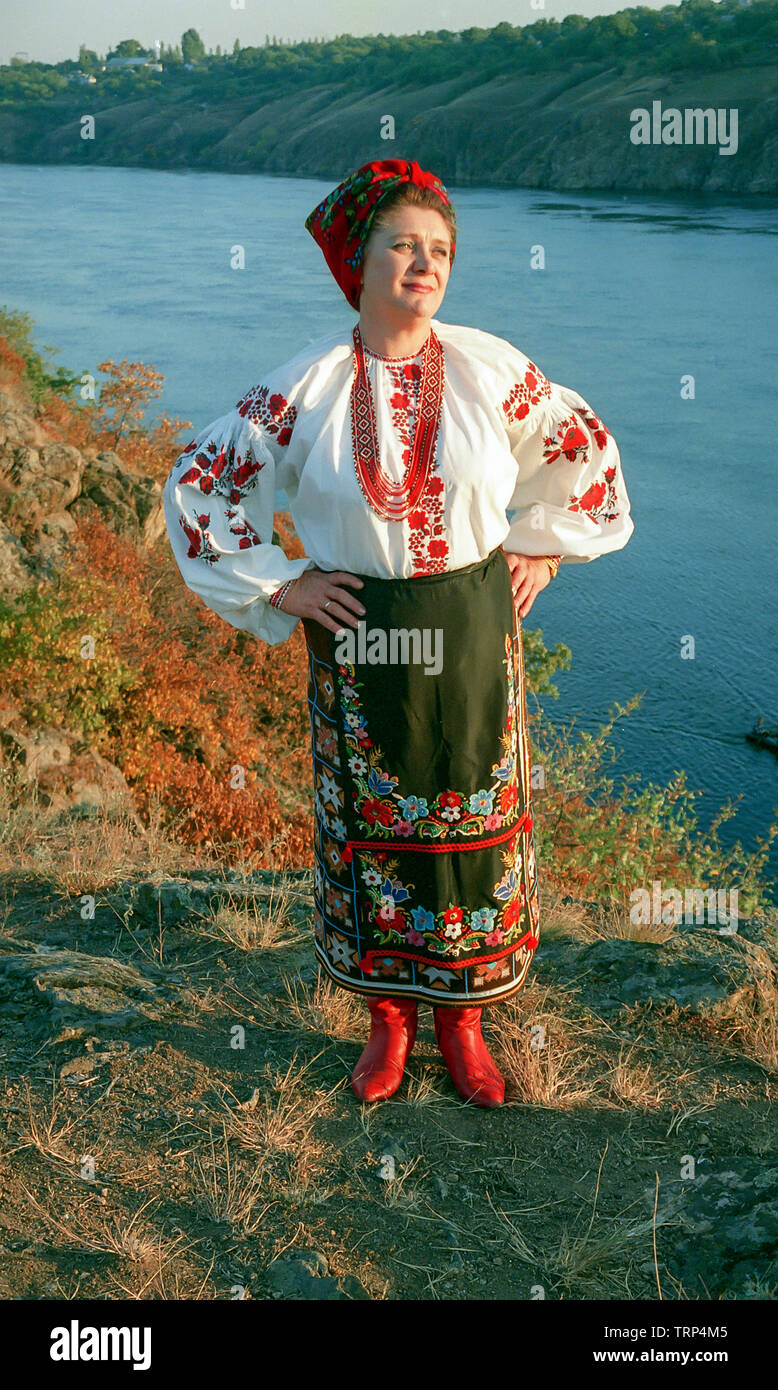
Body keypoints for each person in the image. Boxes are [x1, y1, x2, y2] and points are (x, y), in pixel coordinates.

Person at [162, 158, 634, 1109]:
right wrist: (284, 584)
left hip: (469, 621)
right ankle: (388, 1022)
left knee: (471, 819)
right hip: (358, 629)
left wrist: (543, 547)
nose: (426, 264)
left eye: (442, 251)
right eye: (405, 245)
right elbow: (202, 482)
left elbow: (580, 447)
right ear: (360, 262)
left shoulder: (490, 367)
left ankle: (464, 1021)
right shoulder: (308, 383)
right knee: (369, 825)